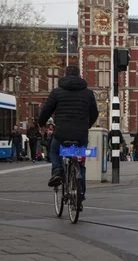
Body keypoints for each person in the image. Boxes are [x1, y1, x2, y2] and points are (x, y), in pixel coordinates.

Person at [39, 65, 98, 209]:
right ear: (79, 75)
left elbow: (46, 110)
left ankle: (57, 170)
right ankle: (80, 195)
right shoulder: (88, 93)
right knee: (81, 164)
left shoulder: (57, 92)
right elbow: (95, 113)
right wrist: (87, 125)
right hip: (81, 135)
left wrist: (41, 123)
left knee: (54, 150)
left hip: (62, 133)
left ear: (65, 75)